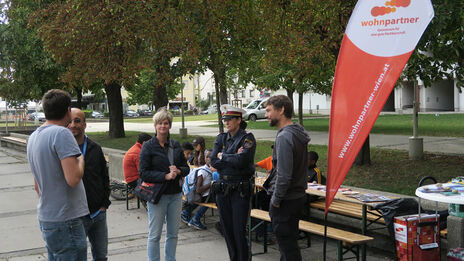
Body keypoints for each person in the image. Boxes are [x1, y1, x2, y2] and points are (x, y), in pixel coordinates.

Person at [27, 89, 88, 260]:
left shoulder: (34, 137)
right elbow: (74, 178)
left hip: (48, 218)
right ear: (68, 110)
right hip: (66, 219)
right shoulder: (61, 133)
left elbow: (37, 185)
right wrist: (81, 159)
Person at [139, 107, 190, 261]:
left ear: (170, 125)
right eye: (160, 123)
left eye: (166, 123)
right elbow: (143, 172)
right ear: (155, 125)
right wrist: (165, 176)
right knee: (154, 235)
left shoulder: (175, 145)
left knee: (173, 234)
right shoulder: (148, 146)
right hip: (158, 196)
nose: (163, 126)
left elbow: (187, 168)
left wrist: (179, 171)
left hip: (175, 195)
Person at [264, 95, 310, 261]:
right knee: (289, 245)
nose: (266, 115)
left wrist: (275, 200)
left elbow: (284, 175)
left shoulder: (285, 137)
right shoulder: (297, 133)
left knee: (288, 248)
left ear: (281, 109)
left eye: (269, 110)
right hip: (296, 197)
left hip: (285, 201)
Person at [211, 104, 256, 261]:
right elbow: (212, 161)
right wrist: (231, 157)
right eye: (225, 119)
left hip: (239, 190)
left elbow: (242, 161)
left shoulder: (247, 138)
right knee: (227, 230)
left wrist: (223, 156)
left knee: (238, 230)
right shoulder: (221, 137)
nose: (226, 122)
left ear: (239, 120)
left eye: (230, 119)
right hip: (223, 189)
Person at [67, 108, 111, 261]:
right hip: (76, 216)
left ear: (84, 125)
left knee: (101, 256)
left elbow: (104, 177)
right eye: (70, 121)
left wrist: (105, 203)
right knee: (78, 257)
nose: (73, 125)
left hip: (97, 212)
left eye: (77, 121)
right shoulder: (63, 149)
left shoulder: (95, 148)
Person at [181, 149, 216, 230]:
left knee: (208, 198)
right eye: (207, 157)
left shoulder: (208, 169)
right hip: (200, 195)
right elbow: (198, 190)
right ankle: (196, 219)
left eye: (211, 157)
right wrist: (211, 184)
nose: (208, 159)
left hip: (197, 195)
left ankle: (185, 212)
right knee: (212, 200)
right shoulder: (203, 172)